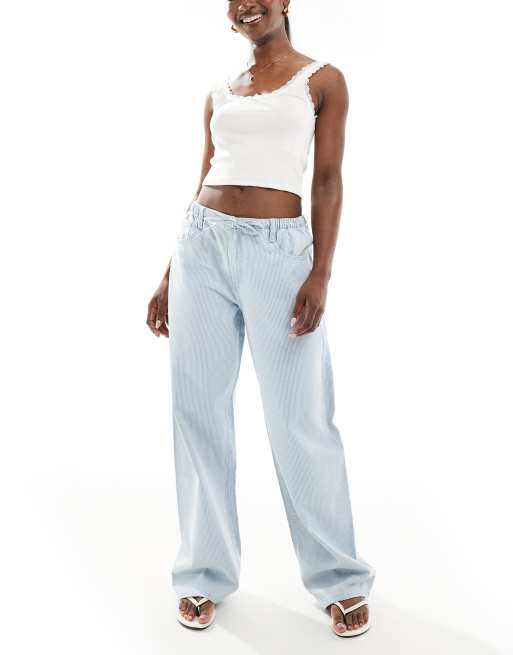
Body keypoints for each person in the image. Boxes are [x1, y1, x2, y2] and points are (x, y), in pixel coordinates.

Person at [146, 0, 376, 638]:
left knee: (300, 419)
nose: (247, 3)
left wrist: (320, 272)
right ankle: (203, 572)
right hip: (202, 249)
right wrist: (170, 274)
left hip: (281, 255)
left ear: (285, 3)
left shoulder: (322, 80)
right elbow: (204, 178)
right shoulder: (219, 92)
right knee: (198, 413)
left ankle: (339, 578)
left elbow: (327, 180)